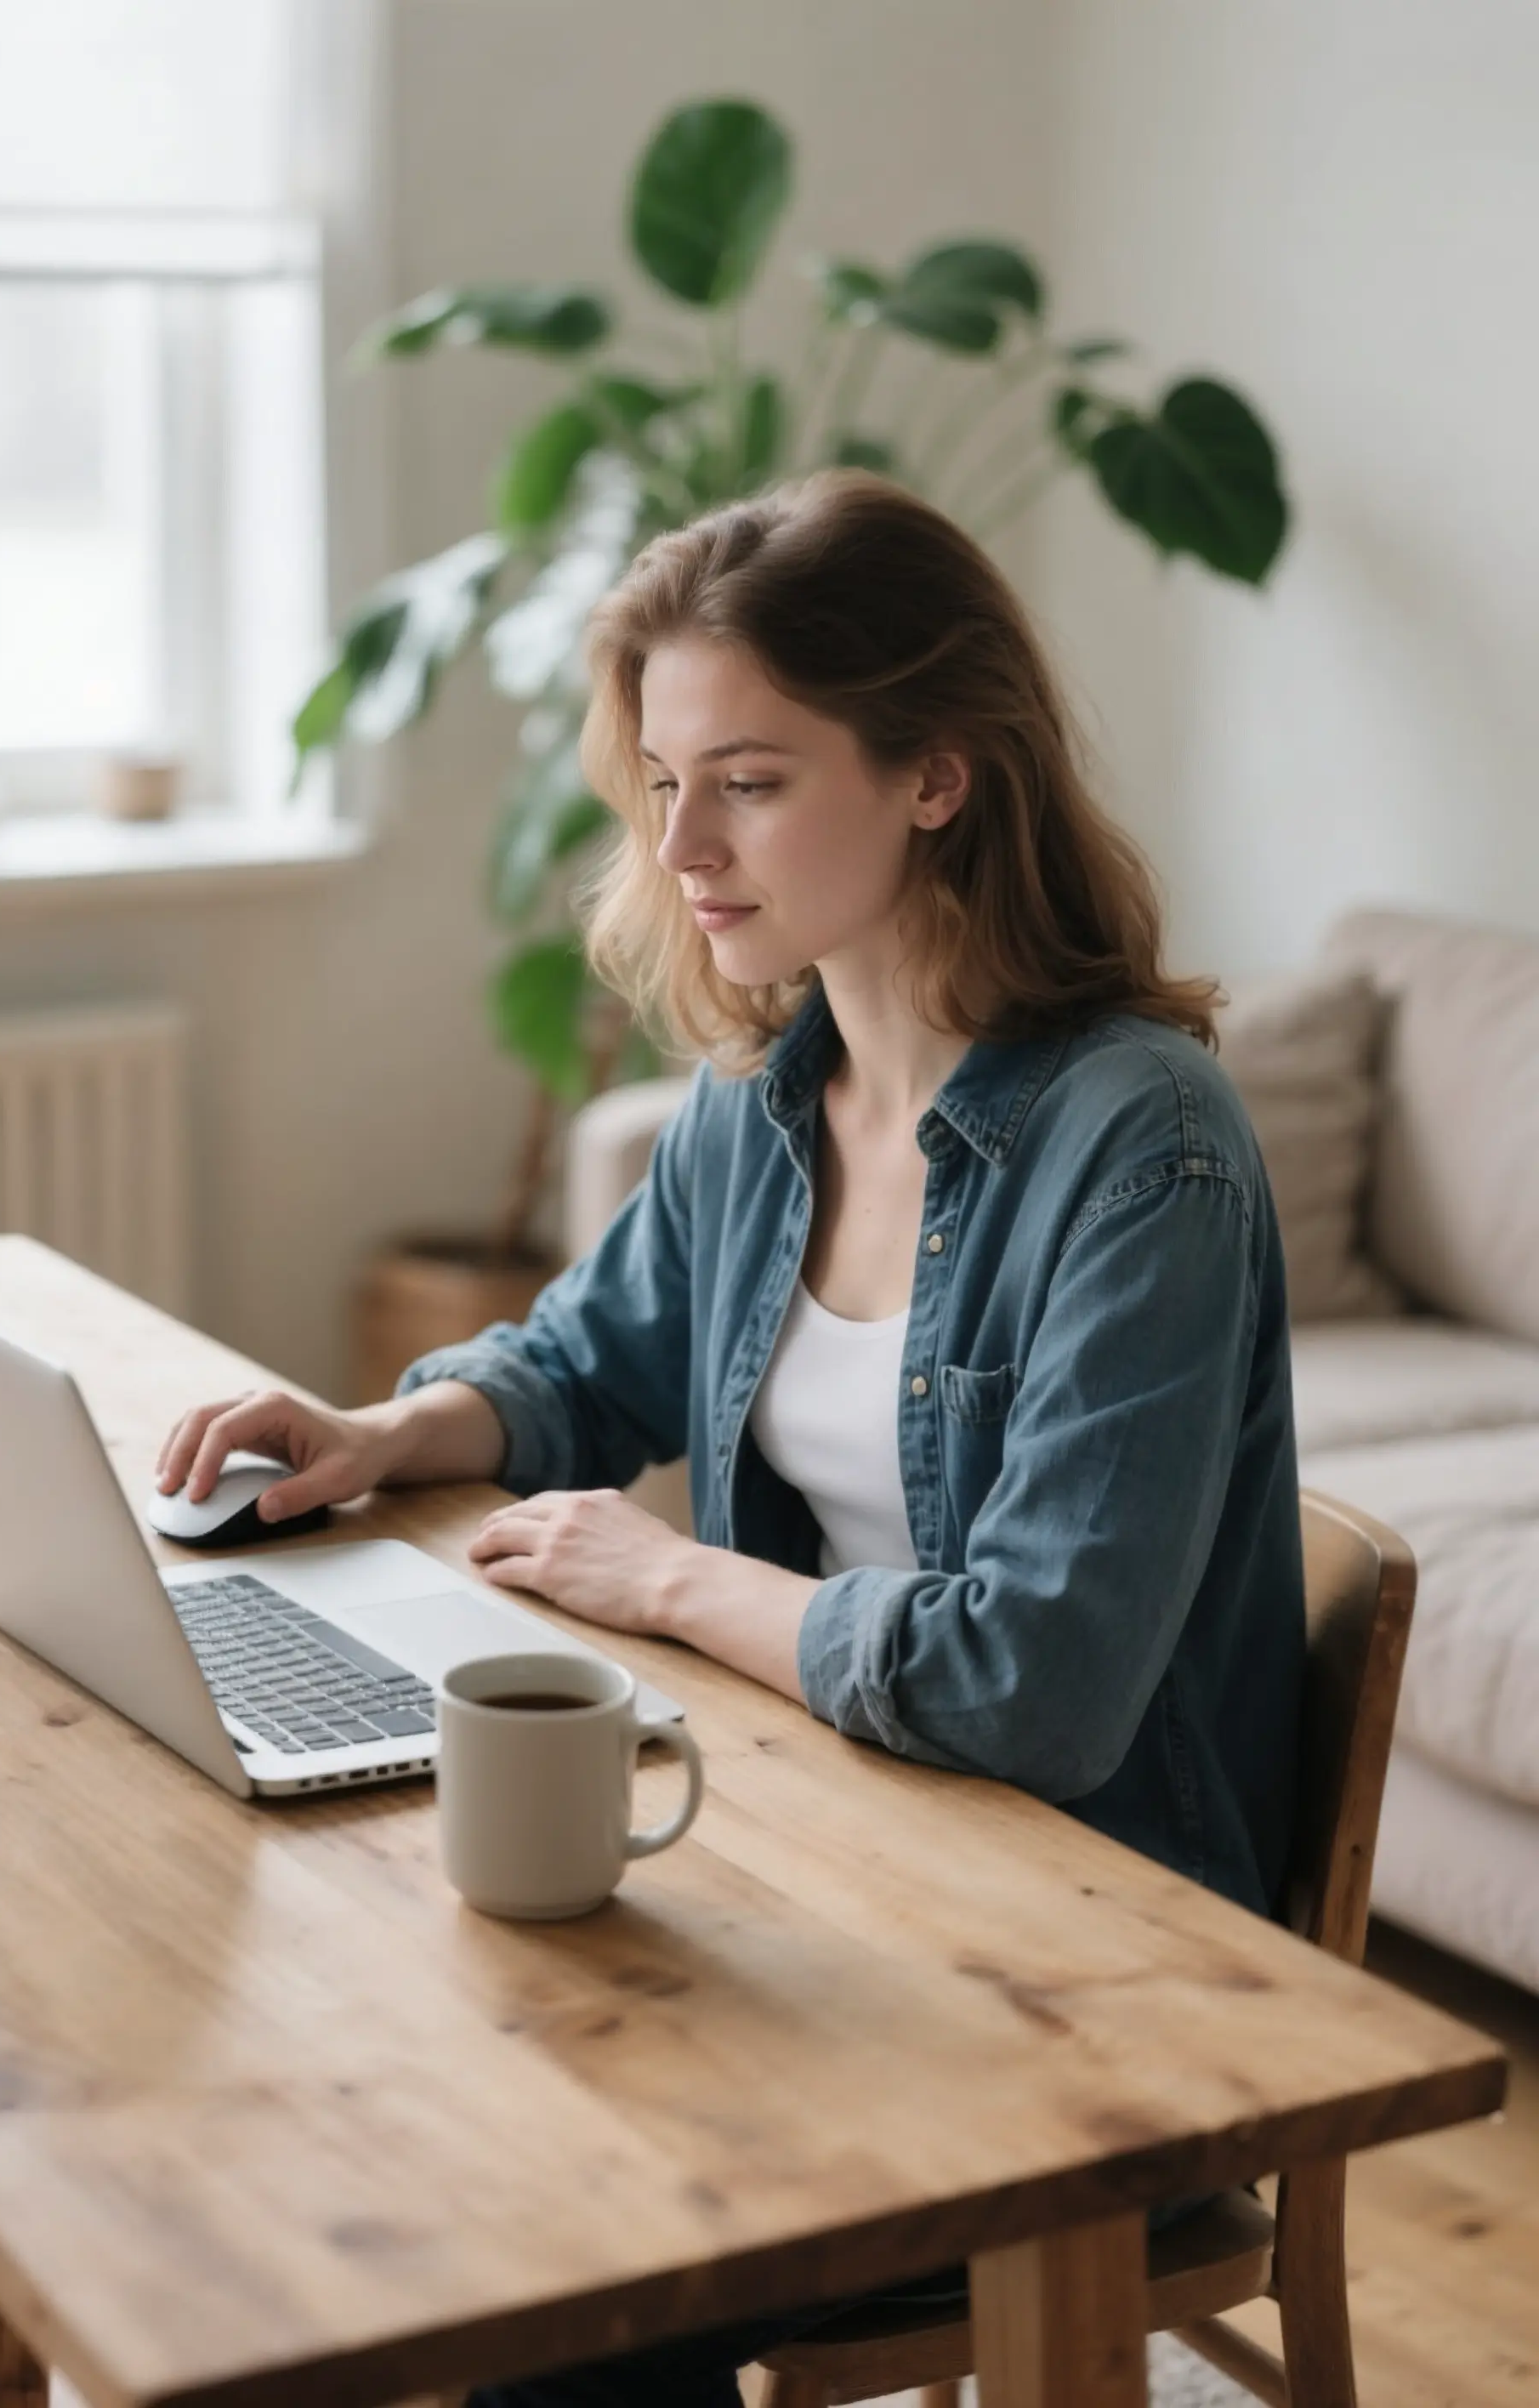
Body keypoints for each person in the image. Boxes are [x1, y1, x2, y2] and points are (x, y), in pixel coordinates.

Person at [156, 470, 1305, 2407]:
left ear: (936, 775)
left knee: (551, 2280)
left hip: (1093, 1963)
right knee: (330, 2130)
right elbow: (586, 1364)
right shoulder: (769, 1097)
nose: (679, 841)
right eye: (664, 778)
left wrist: (675, 1579)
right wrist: (378, 1427)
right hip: (837, 1850)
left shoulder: (1143, 1149)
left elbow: (1035, 1687)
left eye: (749, 781)